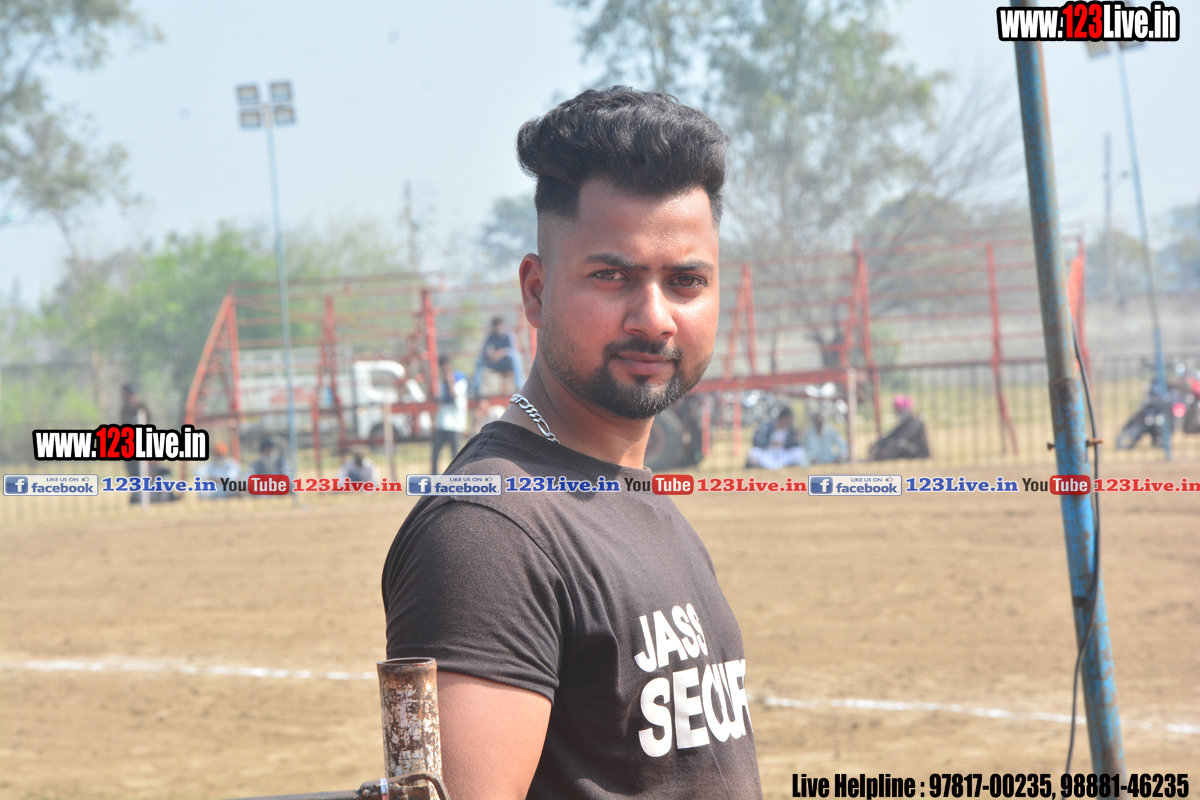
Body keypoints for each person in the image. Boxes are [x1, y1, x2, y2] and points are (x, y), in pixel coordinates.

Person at [382, 87, 762, 800]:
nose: (654, 318)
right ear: (535, 291)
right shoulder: (488, 530)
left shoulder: (631, 495)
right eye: (611, 276)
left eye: (686, 281)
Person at [431, 354, 468, 473]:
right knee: (435, 455)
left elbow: (453, 395)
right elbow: (439, 399)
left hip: (455, 425)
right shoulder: (440, 382)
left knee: (455, 457)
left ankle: (456, 478)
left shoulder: (460, 379)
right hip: (442, 424)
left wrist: (449, 380)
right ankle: (434, 478)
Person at [471, 316, 524, 397]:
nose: (498, 329)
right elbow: (483, 352)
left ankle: (519, 386)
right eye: (496, 327)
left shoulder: (509, 334)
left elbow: (513, 350)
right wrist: (490, 356)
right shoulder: (490, 336)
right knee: (479, 361)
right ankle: (476, 390)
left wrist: (501, 353)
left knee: (516, 357)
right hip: (496, 363)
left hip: (507, 362)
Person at [869, 394, 931, 460]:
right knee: (895, 443)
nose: (897, 413)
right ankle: (875, 456)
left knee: (898, 444)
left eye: (898, 411)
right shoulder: (907, 421)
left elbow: (902, 438)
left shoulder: (915, 421)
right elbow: (893, 435)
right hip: (909, 448)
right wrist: (878, 443)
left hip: (919, 452)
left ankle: (876, 458)